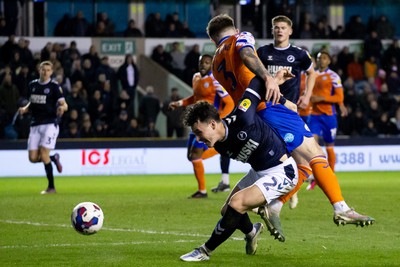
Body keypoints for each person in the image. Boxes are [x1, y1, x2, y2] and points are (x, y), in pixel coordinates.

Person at [206, 14, 374, 242]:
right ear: (234, 28)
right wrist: (269, 78)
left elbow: (245, 81)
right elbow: (247, 56)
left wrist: (281, 94)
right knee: (315, 154)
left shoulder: (216, 63)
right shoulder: (240, 38)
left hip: (255, 113)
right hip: (270, 109)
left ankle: (272, 209)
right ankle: (341, 208)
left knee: (300, 163)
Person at [180, 79, 298, 261]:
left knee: (236, 203)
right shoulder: (219, 145)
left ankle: (204, 251)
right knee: (226, 211)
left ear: (212, 124)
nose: (198, 138)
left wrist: (276, 81)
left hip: (282, 171)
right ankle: (252, 232)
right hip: (259, 171)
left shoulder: (243, 117)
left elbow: (258, 82)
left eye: (198, 132)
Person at [239, 15, 318, 209]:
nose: (279, 30)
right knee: (270, 153)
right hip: (267, 109)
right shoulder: (263, 52)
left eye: (283, 27)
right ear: (272, 30)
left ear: (290, 31)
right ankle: (267, 197)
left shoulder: (299, 54)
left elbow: (312, 72)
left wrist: (307, 95)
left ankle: (285, 195)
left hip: (289, 110)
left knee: (297, 157)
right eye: (276, 27)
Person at [169, 54, 235, 198]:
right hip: (195, 122)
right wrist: (179, 103)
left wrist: (218, 121)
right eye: (201, 63)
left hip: (206, 125)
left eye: (206, 63)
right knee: (191, 156)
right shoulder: (196, 77)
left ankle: (202, 191)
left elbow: (229, 103)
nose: (203, 65)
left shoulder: (216, 81)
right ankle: (219, 150)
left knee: (195, 155)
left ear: (211, 65)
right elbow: (195, 98)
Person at [18, 61, 68, 194]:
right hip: (35, 124)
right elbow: (32, 102)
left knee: (44, 154)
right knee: (33, 158)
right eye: (43, 69)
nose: (45, 72)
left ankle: (51, 187)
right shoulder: (32, 85)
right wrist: (25, 109)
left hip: (50, 124)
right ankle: (54, 158)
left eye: (48, 70)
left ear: (51, 72)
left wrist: (62, 108)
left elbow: (64, 104)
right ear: (39, 70)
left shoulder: (54, 87)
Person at [309, 51, 347, 176]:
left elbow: (339, 97)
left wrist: (321, 98)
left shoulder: (334, 76)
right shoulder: (311, 75)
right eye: (319, 58)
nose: (321, 60)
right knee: (313, 145)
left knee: (329, 146)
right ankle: (316, 173)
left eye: (324, 58)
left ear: (329, 61)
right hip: (314, 115)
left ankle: (331, 174)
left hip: (329, 116)